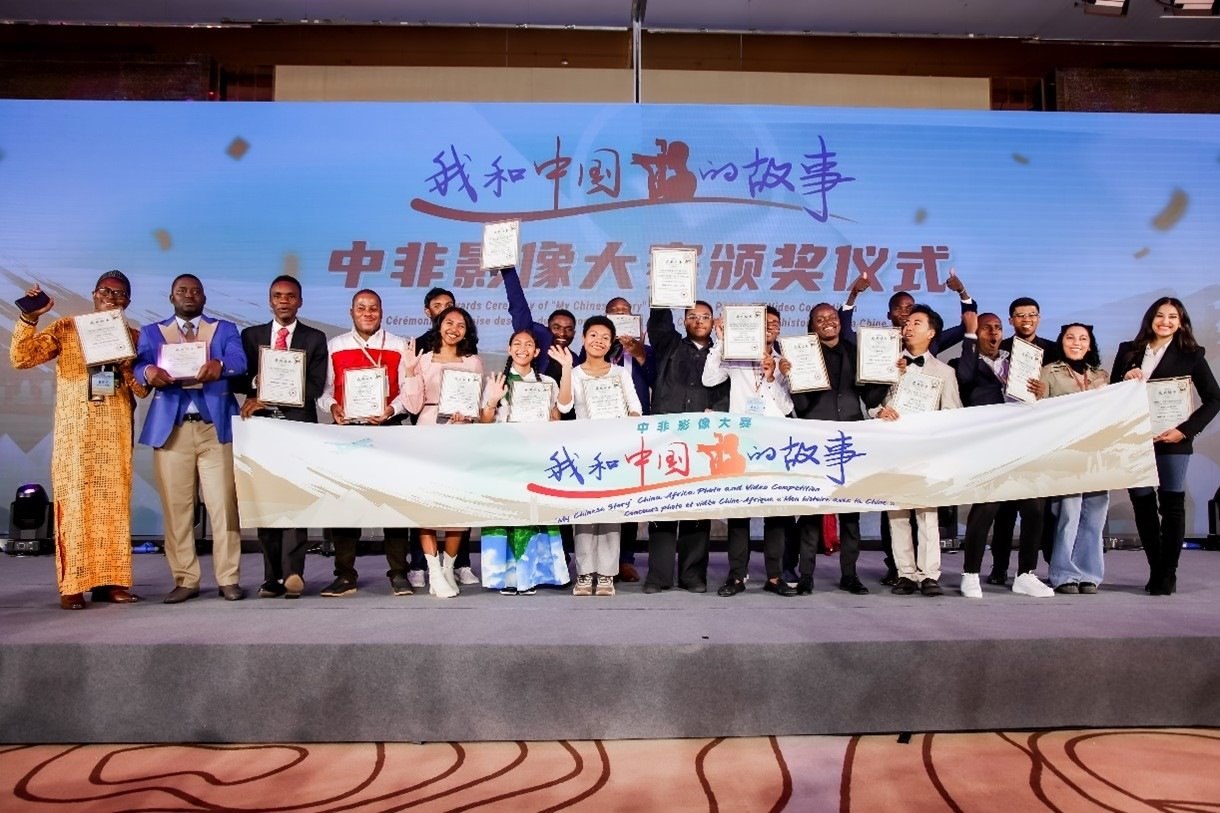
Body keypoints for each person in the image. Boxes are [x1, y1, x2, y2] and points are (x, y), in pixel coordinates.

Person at [10, 272, 148, 610]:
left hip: (114, 432)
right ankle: (72, 584)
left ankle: (111, 583)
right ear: (94, 294)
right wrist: (29, 317)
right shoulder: (67, 327)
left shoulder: (134, 337)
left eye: (120, 294)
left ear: (128, 301)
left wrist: (126, 364)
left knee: (113, 508)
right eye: (106, 291)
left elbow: (142, 389)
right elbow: (22, 357)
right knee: (74, 507)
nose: (112, 297)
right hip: (75, 434)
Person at [135, 273, 247, 603]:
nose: (189, 295)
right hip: (172, 430)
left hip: (215, 429)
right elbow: (139, 364)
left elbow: (240, 361)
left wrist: (219, 364)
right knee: (177, 508)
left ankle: (228, 578)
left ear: (204, 297)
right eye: (182, 291)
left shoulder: (224, 329)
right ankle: (185, 578)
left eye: (195, 291)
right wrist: (148, 372)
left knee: (223, 506)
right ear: (171, 297)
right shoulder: (151, 332)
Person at [1111, 298, 1220, 596]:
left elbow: (1215, 398)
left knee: (1171, 505)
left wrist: (1184, 431)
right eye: (1160, 315)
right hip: (1135, 439)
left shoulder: (1191, 354)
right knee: (1142, 503)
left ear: (1181, 323)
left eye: (1173, 317)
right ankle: (1156, 568)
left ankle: (1168, 572)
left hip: (1173, 439)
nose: (1165, 321)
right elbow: (1113, 395)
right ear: (1150, 319)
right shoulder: (1129, 351)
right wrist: (1124, 378)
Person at [315, 288, 415, 598]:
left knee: (393, 503)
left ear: (382, 312)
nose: (368, 313)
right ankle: (345, 575)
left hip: (389, 429)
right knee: (346, 504)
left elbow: (408, 391)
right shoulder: (335, 346)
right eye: (361, 308)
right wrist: (333, 407)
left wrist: (391, 410)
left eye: (373, 308)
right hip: (348, 432)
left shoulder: (399, 345)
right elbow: (324, 391)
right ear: (351, 312)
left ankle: (398, 573)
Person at [236, 275, 329, 599]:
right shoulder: (251, 337)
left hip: (297, 428)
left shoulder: (314, 338)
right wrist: (257, 388)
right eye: (278, 295)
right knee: (267, 501)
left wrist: (271, 396)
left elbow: (315, 387)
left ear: (300, 301)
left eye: (290, 296)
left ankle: (293, 573)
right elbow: (240, 379)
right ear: (270, 300)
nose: (284, 301)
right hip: (260, 429)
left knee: (294, 500)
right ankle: (271, 577)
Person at [954, 311, 1054, 599]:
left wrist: (1041, 391)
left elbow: (1033, 399)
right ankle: (970, 573)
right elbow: (965, 378)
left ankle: (1025, 574)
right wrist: (969, 336)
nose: (994, 332)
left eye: (997, 328)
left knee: (1035, 508)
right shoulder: (964, 364)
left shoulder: (1019, 361)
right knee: (986, 508)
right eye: (986, 328)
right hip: (988, 446)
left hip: (1023, 443)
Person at [789, 303, 885, 596]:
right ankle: (806, 575)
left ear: (840, 322)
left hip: (851, 437)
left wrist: (887, 374)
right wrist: (795, 379)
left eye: (832, 317)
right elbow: (801, 406)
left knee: (851, 513)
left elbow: (870, 398)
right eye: (820, 319)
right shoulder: (803, 356)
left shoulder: (856, 352)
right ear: (812, 326)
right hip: (815, 438)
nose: (828, 322)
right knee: (811, 511)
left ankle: (850, 575)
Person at [702, 305, 797, 598]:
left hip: (774, 442)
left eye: (775, 323)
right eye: (765, 322)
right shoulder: (737, 355)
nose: (770, 326)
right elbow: (709, 379)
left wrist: (771, 378)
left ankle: (774, 576)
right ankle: (736, 575)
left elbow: (786, 407)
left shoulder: (784, 362)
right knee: (739, 511)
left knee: (776, 513)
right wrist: (721, 341)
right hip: (741, 440)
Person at [874, 305, 963, 597]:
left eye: (917, 323)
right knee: (897, 515)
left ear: (931, 332)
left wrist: (936, 430)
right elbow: (871, 402)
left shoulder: (945, 372)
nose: (908, 327)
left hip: (927, 451)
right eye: (907, 323)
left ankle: (929, 575)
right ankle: (905, 574)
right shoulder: (887, 364)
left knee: (927, 514)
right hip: (894, 449)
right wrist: (879, 411)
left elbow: (952, 413)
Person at [477, 330, 574, 595]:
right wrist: (492, 400)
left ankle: (533, 575)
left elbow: (562, 411)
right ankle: (507, 578)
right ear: (509, 349)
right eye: (517, 344)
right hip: (504, 458)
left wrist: (566, 369)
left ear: (537, 352)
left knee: (535, 515)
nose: (523, 348)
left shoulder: (547, 382)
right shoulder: (497, 380)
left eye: (529, 344)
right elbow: (484, 423)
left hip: (536, 457)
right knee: (506, 513)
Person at [642, 301, 729, 595]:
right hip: (666, 439)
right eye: (693, 316)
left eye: (705, 317)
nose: (699, 321)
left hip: (704, 439)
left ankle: (693, 575)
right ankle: (658, 576)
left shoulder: (725, 352)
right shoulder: (669, 345)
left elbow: (730, 390)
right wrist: (665, 290)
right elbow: (659, 323)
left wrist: (718, 412)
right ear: (684, 321)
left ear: (713, 321)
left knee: (698, 507)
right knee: (662, 507)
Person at [401, 305, 484, 598]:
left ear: (467, 331)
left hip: (460, 437)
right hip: (428, 435)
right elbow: (412, 406)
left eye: (461, 325)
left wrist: (467, 417)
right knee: (426, 505)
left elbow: (476, 405)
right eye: (449, 323)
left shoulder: (473, 362)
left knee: (456, 507)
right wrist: (409, 370)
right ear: (439, 325)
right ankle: (433, 570)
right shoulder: (422, 359)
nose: (454, 329)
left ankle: (448, 569)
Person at [568, 315, 643, 596]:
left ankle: (607, 574)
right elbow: (564, 407)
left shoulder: (620, 373)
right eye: (593, 335)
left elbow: (636, 408)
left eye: (605, 337)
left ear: (611, 343)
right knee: (585, 513)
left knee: (611, 513)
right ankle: (584, 573)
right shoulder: (574, 374)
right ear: (583, 339)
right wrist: (564, 370)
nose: (598, 341)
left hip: (614, 451)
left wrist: (628, 422)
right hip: (584, 452)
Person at [1039, 323, 1110, 594]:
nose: (1076, 342)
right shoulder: (1048, 372)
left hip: (1097, 454)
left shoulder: (1101, 376)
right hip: (1065, 453)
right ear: (1061, 342)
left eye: (1083, 338)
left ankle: (1089, 574)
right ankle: (1064, 573)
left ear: (1090, 345)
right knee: (1067, 513)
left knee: (1095, 514)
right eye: (1070, 337)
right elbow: (1039, 412)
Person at [603, 296, 656, 584]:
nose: (620, 314)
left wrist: (639, 353)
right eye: (615, 312)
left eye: (625, 311)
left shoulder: (646, 350)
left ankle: (625, 559)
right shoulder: (597, 346)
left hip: (636, 431)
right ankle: (602, 559)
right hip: (602, 431)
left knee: (631, 496)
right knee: (604, 494)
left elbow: (657, 379)